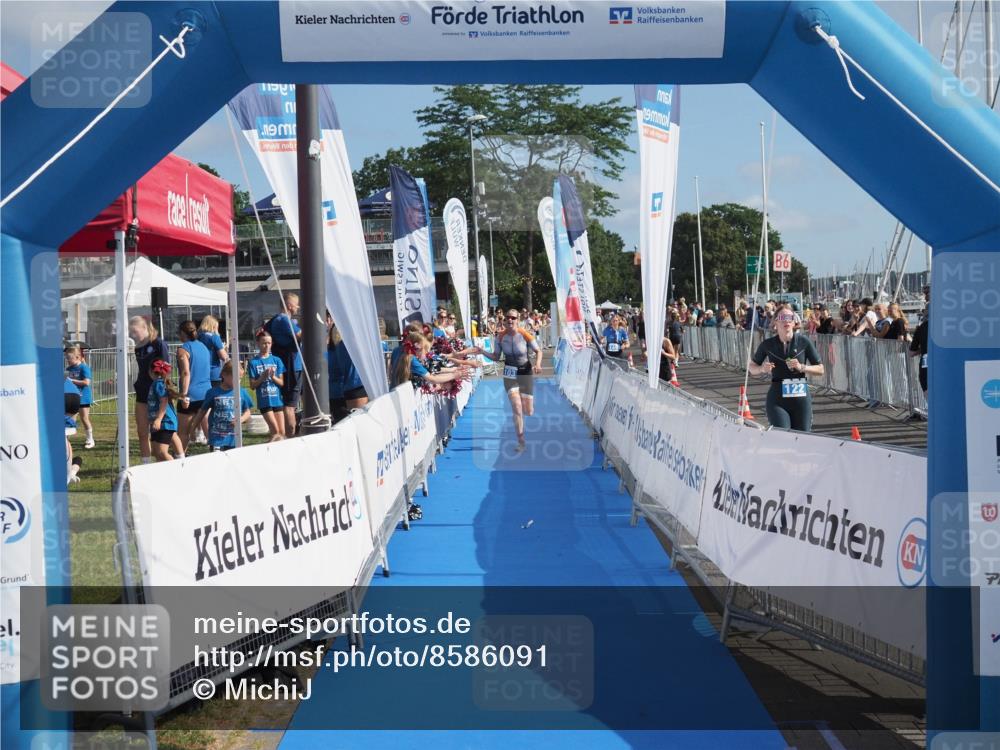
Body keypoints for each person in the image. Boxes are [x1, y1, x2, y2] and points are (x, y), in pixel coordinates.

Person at [748, 305, 825, 432]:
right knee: (783, 436)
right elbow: (752, 367)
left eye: (790, 317)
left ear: (794, 322)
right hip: (777, 400)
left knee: (802, 437)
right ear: (775, 322)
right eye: (782, 318)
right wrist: (762, 369)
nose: (786, 321)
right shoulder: (768, 344)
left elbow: (821, 369)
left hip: (801, 400)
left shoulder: (804, 342)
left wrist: (802, 367)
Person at [479, 309, 543, 451]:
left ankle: (526, 407)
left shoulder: (524, 334)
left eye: (513, 318)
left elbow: (538, 351)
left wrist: (538, 364)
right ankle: (521, 441)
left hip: (525, 371)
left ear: (517, 320)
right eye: (507, 317)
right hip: (509, 372)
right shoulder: (500, 337)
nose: (510, 320)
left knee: (528, 411)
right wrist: (482, 351)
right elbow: (496, 357)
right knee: (517, 407)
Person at [129, 316, 170, 464]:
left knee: (164, 429)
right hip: (142, 391)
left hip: (157, 393)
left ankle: (179, 458)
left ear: (144, 327)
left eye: (135, 331)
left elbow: (166, 368)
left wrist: (162, 388)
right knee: (142, 431)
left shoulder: (159, 343)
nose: (132, 335)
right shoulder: (138, 347)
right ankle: (146, 463)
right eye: (131, 332)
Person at [191, 361, 253, 451]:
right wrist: (193, 429)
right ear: (224, 375)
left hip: (234, 439)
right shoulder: (212, 392)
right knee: (217, 459)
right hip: (216, 438)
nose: (238, 381)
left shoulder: (242, 392)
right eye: (235, 378)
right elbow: (202, 412)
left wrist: (241, 419)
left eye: (240, 378)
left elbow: (248, 412)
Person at [268, 292, 304, 437]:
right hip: (292, 367)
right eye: (297, 304)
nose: (298, 307)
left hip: (291, 366)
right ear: (289, 305)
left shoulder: (278, 320)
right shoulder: (283, 320)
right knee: (290, 405)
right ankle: (291, 438)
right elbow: (302, 336)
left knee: (291, 403)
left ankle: (293, 433)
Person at [176, 320, 212, 452]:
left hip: (191, 394)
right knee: (209, 431)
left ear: (182, 333)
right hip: (206, 393)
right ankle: (217, 453)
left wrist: (184, 395)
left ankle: (180, 458)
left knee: (183, 433)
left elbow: (186, 373)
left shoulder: (183, 349)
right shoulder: (203, 347)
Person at [248, 330, 285, 441]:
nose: (267, 345)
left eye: (269, 343)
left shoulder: (277, 360)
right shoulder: (253, 362)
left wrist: (273, 377)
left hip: (277, 400)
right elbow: (252, 385)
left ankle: (273, 449)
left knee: (282, 432)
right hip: (265, 401)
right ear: (258, 343)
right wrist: (262, 377)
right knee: (275, 431)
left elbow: (281, 383)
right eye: (264, 343)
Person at [147, 358, 181, 461]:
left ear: (151, 371)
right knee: (156, 452)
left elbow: (163, 401)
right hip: (158, 423)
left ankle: (176, 468)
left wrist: (158, 419)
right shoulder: (157, 383)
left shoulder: (158, 384)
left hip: (165, 422)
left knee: (162, 452)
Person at [64, 345, 94, 448]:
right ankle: (66, 440)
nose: (68, 360)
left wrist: (71, 381)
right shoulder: (68, 369)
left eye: (69, 358)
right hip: (72, 398)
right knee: (70, 420)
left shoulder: (84, 367)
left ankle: (90, 439)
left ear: (77, 357)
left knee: (84, 418)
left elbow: (86, 382)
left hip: (83, 398)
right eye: (67, 358)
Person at [197, 314, 230, 388]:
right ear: (213, 326)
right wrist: (224, 349)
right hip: (213, 373)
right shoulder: (214, 337)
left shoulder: (198, 337)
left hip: (200, 373)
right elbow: (223, 357)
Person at [64, 377, 83, 484]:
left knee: (63, 435)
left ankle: (68, 473)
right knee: (65, 435)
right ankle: (70, 473)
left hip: (62, 394)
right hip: (75, 394)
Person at [909, 305, 929, 398]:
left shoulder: (922, 327)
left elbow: (911, 352)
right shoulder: (947, 326)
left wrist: (923, 349)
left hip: (926, 365)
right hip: (944, 365)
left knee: (928, 394)